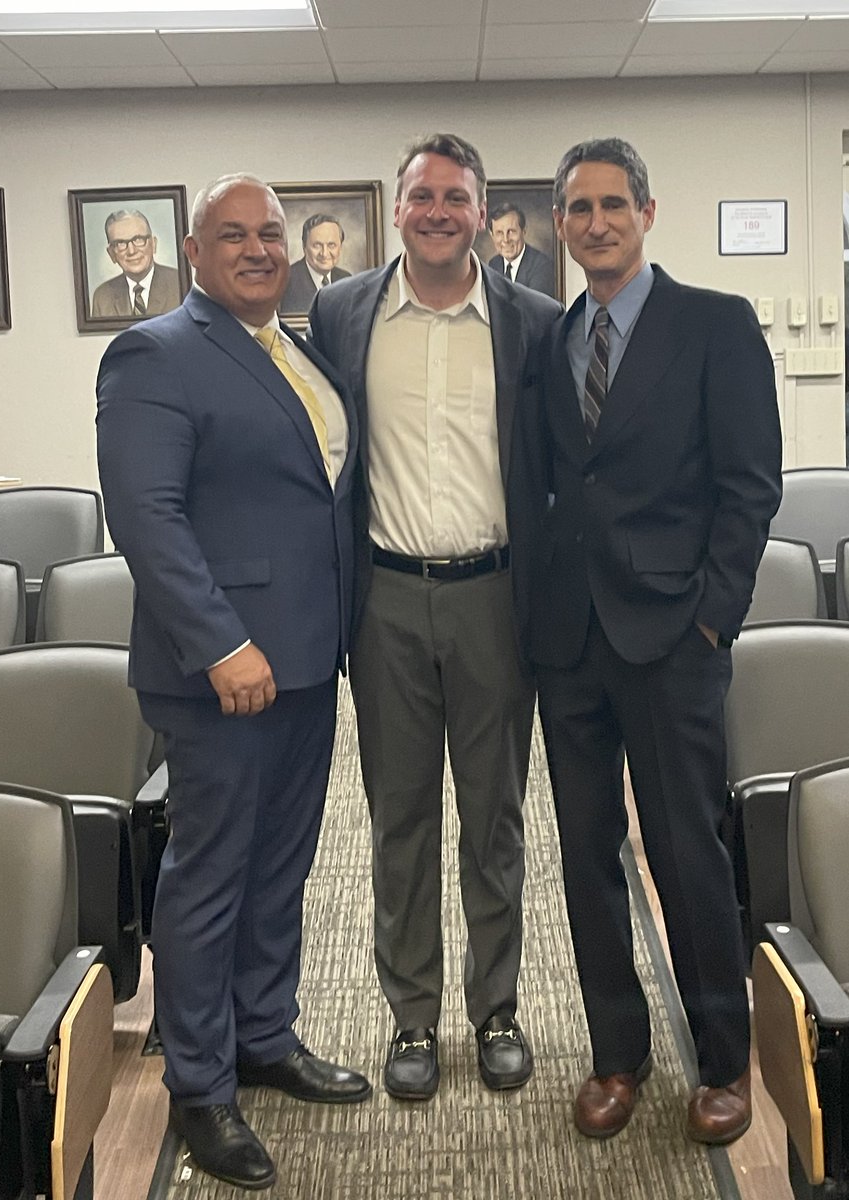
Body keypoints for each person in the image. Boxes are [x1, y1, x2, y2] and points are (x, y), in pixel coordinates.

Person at [96, 173, 369, 1191]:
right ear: (193, 248)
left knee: (280, 868)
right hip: (223, 672)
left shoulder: (292, 350)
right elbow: (148, 519)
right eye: (234, 234)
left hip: (305, 658)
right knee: (209, 878)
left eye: (271, 234)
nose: (259, 248)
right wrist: (219, 643)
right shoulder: (154, 352)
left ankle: (265, 1035)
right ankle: (202, 1086)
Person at [509, 137, 782, 1145]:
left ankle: (722, 1061)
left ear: (648, 213)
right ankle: (615, 1055)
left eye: (611, 205)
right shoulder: (552, 335)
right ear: (559, 224)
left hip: (674, 637)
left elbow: (751, 485)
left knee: (685, 850)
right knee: (586, 856)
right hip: (570, 641)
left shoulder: (714, 325)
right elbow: (548, 485)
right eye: (576, 209)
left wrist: (714, 615)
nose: (594, 223)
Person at [308, 133, 561, 1100]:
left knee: (493, 818)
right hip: (384, 606)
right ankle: (410, 1020)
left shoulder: (533, 321)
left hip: (496, 597)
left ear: (483, 210)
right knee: (399, 819)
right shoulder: (341, 312)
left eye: (456, 197)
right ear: (399, 204)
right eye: (422, 195)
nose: (438, 211)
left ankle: (495, 1007)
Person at [90, 209, 181, 318]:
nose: (131, 251)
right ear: (111, 253)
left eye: (138, 239)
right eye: (121, 243)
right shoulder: (103, 297)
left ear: (153, 244)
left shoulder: (179, 284)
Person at [279, 213, 351, 313]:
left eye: (331, 245)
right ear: (304, 247)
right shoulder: (285, 281)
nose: (324, 253)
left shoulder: (346, 280)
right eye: (317, 245)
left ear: (340, 247)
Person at [487, 202, 555, 297]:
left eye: (511, 231)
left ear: (524, 231)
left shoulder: (542, 266)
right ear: (492, 235)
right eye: (499, 233)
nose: (506, 240)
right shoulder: (493, 264)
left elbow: (534, 309)